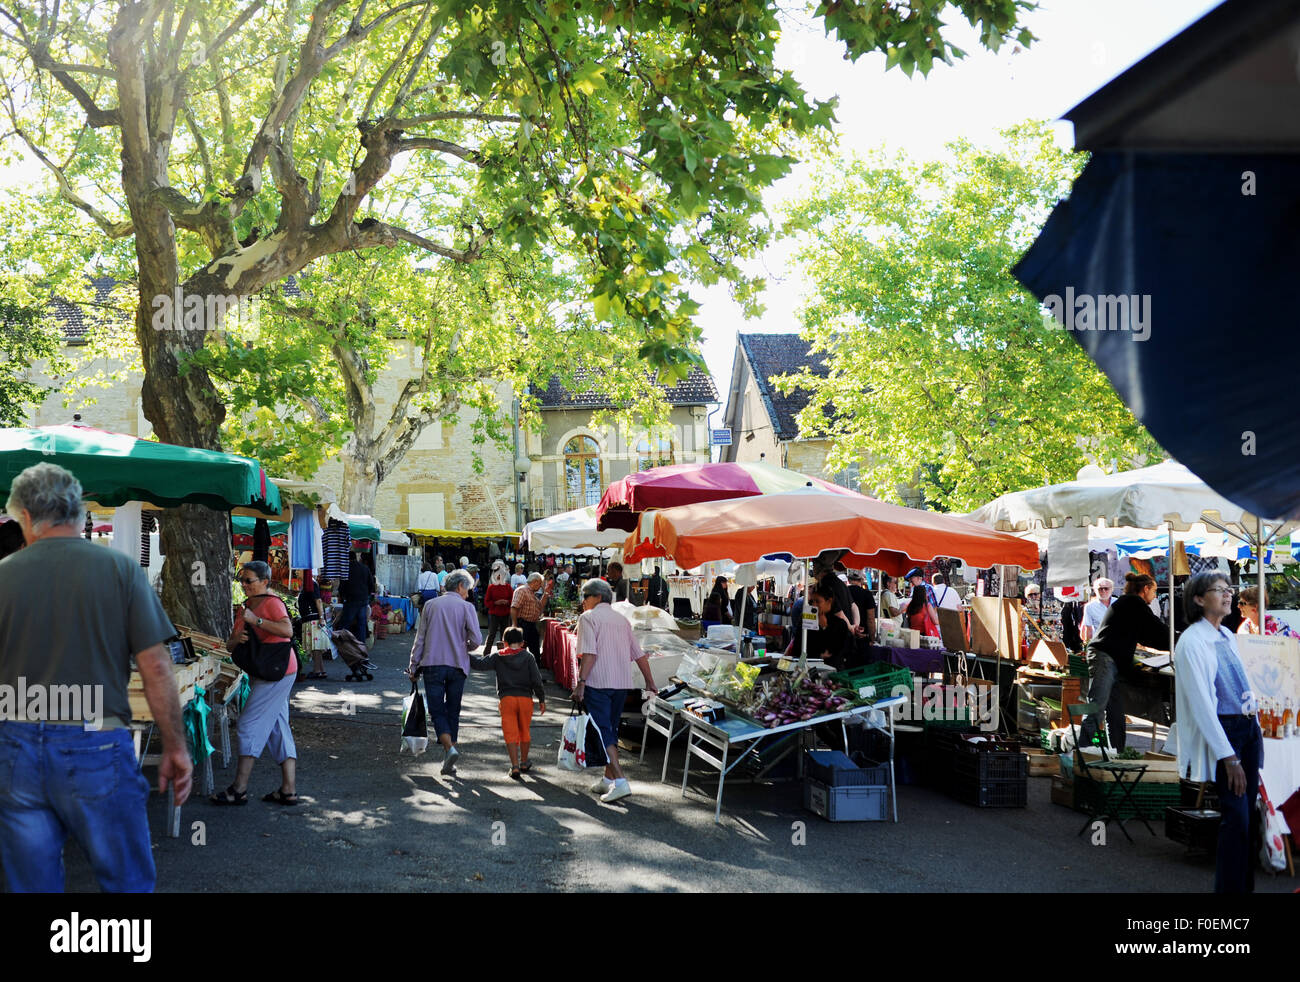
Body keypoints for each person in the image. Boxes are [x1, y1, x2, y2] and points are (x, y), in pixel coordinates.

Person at [0, 463, 191, 892]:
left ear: (27, 517)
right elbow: (157, 667)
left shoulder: (3, 575)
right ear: (79, 513)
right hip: (96, 742)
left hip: (13, 745)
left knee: (29, 884)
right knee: (126, 880)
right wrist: (176, 746)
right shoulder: (119, 570)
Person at [1174, 572, 1263, 894]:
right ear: (1199, 599)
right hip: (1227, 734)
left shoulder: (1226, 634)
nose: (1228, 596)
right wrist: (1229, 757)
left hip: (1247, 729)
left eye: (1229, 590)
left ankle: (1242, 888)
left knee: (1248, 819)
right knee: (1236, 818)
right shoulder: (1192, 640)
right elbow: (1200, 702)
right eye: (1219, 591)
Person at [211, 561, 300, 805]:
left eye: (249, 580)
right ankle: (288, 790)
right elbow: (230, 645)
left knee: (248, 725)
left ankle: (239, 789)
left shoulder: (271, 603)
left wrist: (257, 621)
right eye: (242, 580)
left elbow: (287, 630)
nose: (244, 585)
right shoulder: (246, 606)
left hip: (277, 672)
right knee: (278, 726)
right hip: (270, 671)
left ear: (264, 581)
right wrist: (236, 638)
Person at [573, 578, 658, 803]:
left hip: (598, 683)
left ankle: (620, 780)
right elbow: (639, 654)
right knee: (611, 729)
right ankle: (608, 779)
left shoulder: (588, 618)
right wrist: (650, 681)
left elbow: (589, 654)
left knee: (603, 731)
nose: (583, 602)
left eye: (585, 596)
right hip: (621, 683)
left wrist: (581, 682)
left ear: (597, 597)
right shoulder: (622, 620)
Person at [1077, 573, 1169, 752]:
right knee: (1096, 707)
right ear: (1145, 589)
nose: (1155, 596)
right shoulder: (1133, 603)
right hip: (1104, 657)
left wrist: (1172, 641)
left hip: (1113, 660)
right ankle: (1082, 754)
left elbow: (1147, 634)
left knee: (1116, 712)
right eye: (1155, 591)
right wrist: (1177, 639)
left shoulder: (1129, 603)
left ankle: (1117, 754)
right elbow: (1155, 629)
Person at [408, 569, 482, 776]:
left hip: (432, 665)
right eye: (467, 589)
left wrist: (413, 666)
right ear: (460, 586)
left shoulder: (430, 606)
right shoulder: (467, 607)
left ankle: (449, 750)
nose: (468, 594)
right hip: (458, 665)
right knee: (453, 710)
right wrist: (462, 645)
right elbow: (476, 640)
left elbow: (420, 639)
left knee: (437, 711)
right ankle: (450, 752)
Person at [469, 627, 546, 779]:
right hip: (525, 699)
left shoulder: (498, 656)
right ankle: (524, 762)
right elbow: (536, 680)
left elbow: (479, 664)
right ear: (523, 643)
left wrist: (463, 652)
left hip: (506, 699)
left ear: (504, 643)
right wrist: (541, 699)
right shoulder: (528, 657)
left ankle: (515, 766)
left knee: (510, 732)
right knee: (525, 731)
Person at [807, 586, 853, 667]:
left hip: (831, 670)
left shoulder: (840, 624)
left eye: (818, 601)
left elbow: (835, 650)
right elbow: (800, 646)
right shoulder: (806, 621)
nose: (814, 605)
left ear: (829, 601)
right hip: (808, 667)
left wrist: (825, 628)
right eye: (811, 602)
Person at [335, 552, 376, 643]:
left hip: (351, 600)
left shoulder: (346, 569)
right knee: (361, 623)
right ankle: (361, 645)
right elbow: (371, 584)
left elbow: (342, 586)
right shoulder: (365, 568)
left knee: (346, 622)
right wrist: (367, 595)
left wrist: (342, 596)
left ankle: (341, 642)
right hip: (363, 599)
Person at [510, 572, 546, 665]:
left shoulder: (531, 593)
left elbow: (540, 607)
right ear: (535, 582)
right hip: (523, 624)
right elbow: (514, 607)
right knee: (520, 651)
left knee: (534, 650)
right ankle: (522, 675)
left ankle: (534, 675)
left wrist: (545, 595)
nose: (540, 586)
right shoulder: (522, 590)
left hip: (530, 625)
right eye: (540, 584)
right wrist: (514, 624)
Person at [298, 570, 329, 679]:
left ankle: (317, 670)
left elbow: (318, 601)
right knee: (317, 647)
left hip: (314, 619)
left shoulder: (311, 583)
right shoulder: (307, 584)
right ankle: (321, 670)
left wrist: (321, 618)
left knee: (316, 647)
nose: (297, 572)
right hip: (310, 619)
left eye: (299, 570)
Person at [483, 561, 514, 652]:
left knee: (504, 635)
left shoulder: (508, 587)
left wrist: (506, 602)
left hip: (505, 614)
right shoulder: (491, 587)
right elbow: (486, 602)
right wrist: (496, 603)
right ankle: (486, 653)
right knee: (492, 634)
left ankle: (503, 653)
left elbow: (513, 600)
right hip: (494, 614)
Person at [1080, 577, 1115, 644]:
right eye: (1100, 589)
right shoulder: (1089, 607)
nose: (1103, 591)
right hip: (1099, 643)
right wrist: (1087, 645)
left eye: (1106, 588)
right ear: (1095, 590)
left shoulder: (1119, 603)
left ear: (1112, 589)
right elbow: (1088, 628)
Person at [846, 569, 877, 642]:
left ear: (848, 580)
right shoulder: (867, 594)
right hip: (862, 636)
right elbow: (871, 619)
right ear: (861, 580)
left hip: (845, 635)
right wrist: (872, 639)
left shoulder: (843, 592)